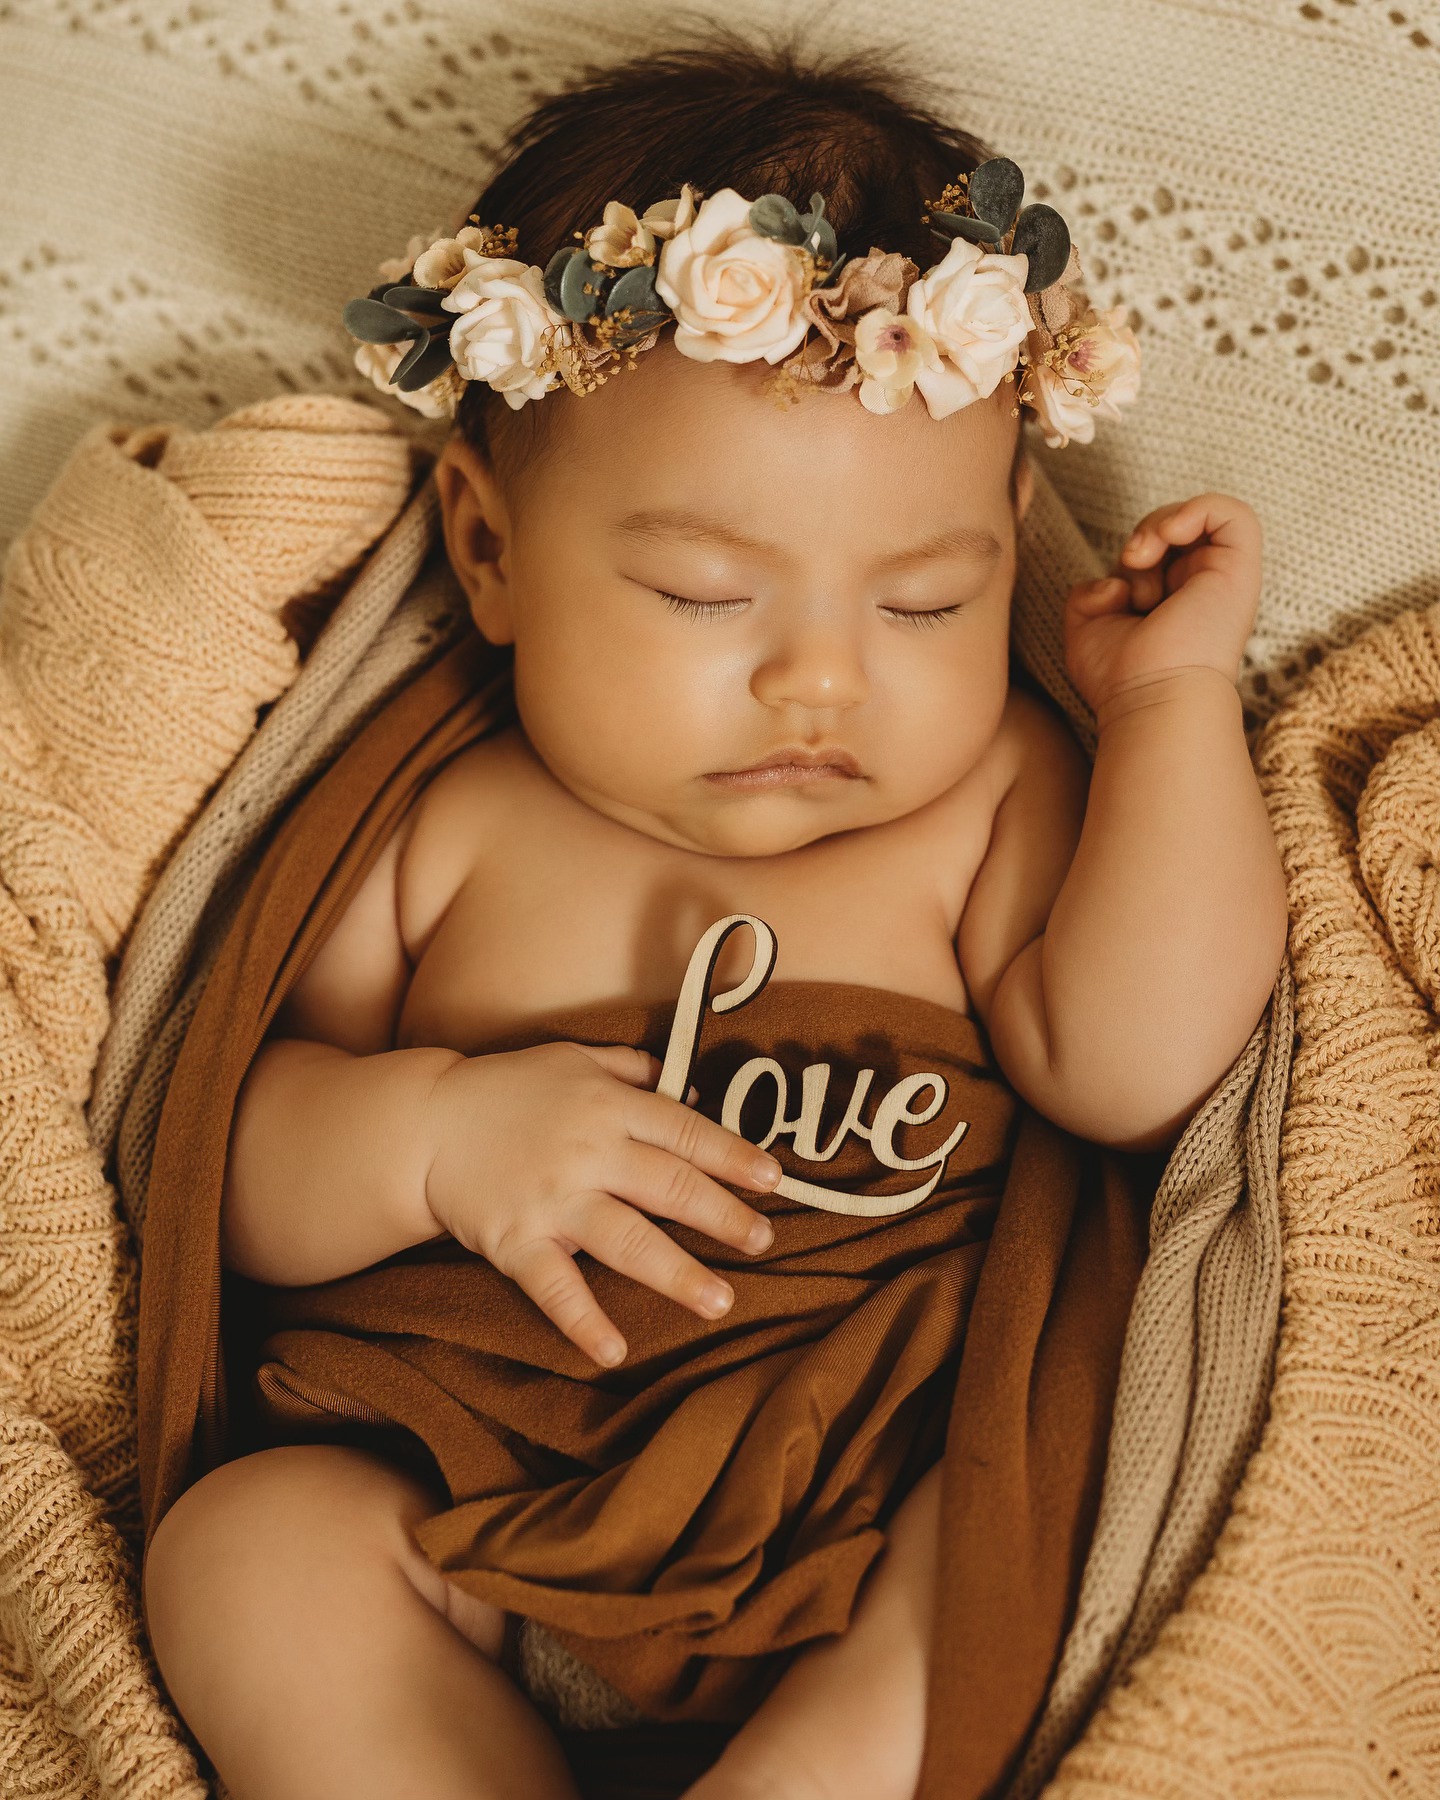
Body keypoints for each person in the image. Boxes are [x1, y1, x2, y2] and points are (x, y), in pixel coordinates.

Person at [138, 29, 1288, 1800]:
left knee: (986, 1556)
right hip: (469, 1483)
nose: (818, 680)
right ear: (491, 549)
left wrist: (1169, 706)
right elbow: (243, 1171)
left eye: (923, 604)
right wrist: (435, 1134)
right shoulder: (444, 824)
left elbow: (1136, 1069)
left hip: (858, 1479)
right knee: (244, 1551)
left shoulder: (990, 807)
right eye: (701, 591)